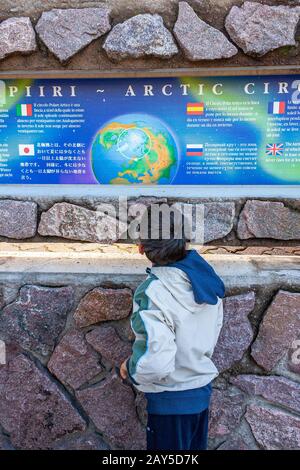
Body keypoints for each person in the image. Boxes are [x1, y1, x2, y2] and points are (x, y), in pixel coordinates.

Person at [120, 206, 225, 451]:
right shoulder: (206, 281)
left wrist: (131, 369)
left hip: (170, 400)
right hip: (199, 391)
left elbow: (155, 361)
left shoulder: (154, 291)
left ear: (141, 248)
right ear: (184, 241)